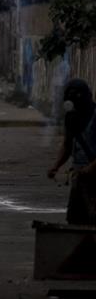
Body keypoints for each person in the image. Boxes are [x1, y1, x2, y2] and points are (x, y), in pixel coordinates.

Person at [47, 79, 96, 225]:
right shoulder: (72, 118)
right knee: (75, 218)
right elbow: (67, 145)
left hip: (92, 173)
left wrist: (90, 168)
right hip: (79, 176)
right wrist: (56, 166)